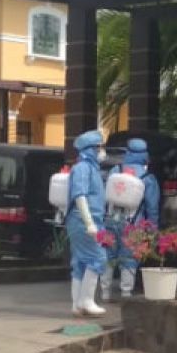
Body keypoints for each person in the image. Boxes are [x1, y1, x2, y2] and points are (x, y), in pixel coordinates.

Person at [101, 137, 160, 300]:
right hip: (133, 225)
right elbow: (152, 208)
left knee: (108, 256)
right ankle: (126, 292)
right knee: (129, 258)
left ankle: (105, 292)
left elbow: (104, 197)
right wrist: (152, 230)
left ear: (127, 152)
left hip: (110, 221)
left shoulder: (115, 170)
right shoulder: (147, 177)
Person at [66, 130, 107, 317]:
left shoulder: (91, 168)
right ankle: (87, 300)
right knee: (98, 257)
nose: (102, 151)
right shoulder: (83, 168)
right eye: (99, 147)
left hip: (85, 220)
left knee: (81, 262)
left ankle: (77, 304)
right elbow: (80, 196)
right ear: (90, 149)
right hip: (83, 221)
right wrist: (89, 223)